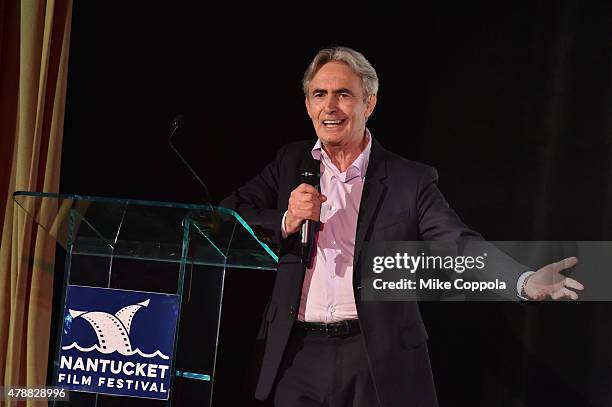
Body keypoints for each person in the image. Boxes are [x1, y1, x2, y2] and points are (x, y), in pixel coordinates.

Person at [220, 46, 583, 407]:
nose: (330, 107)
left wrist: (522, 281)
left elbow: (458, 243)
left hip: (375, 353)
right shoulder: (290, 161)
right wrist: (286, 219)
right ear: (308, 105)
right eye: (320, 95)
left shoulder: (409, 180)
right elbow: (227, 216)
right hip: (297, 354)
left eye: (344, 94)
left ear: (369, 103)